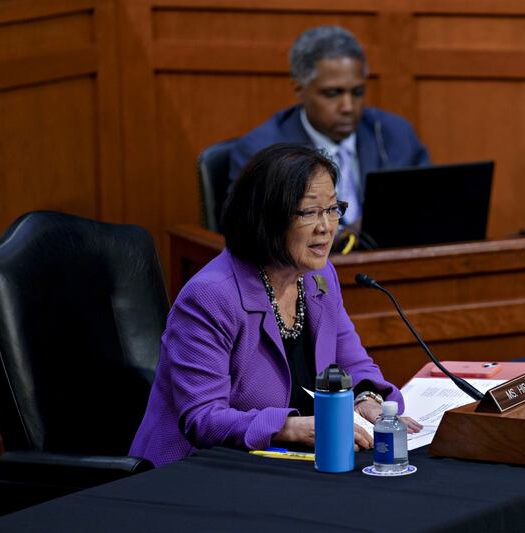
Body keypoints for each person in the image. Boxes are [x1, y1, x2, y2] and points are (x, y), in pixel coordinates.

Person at [131, 144, 421, 467]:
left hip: (281, 467)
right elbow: (203, 418)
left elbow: (353, 361)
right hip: (194, 475)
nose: (326, 227)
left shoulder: (318, 277)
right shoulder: (209, 297)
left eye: (332, 209)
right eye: (310, 213)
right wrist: (289, 427)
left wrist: (368, 399)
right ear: (267, 217)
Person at [228, 25, 430, 230]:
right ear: (299, 89)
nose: (348, 107)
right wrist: (342, 235)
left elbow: (430, 206)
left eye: (357, 92)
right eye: (333, 93)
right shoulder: (263, 152)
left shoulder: (395, 134)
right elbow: (246, 232)